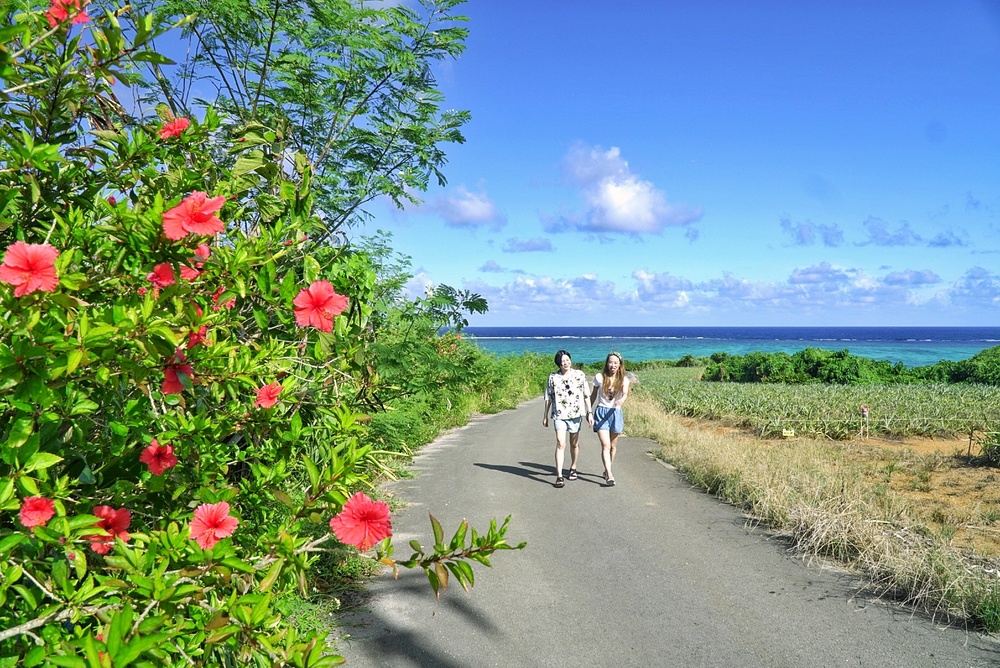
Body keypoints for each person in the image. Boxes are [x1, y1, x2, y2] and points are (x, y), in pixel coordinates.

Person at [542, 350, 593, 488]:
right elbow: (548, 397)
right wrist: (545, 415)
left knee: (574, 444)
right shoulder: (553, 377)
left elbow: (586, 395)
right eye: (562, 361)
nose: (565, 363)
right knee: (560, 443)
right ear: (558, 363)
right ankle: (559, 476)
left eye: (567, 360)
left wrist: (589, 412)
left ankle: (573, 467)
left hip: (575, 414)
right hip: (559, 415)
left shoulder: (579, 375)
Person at [590, 351, 630, 487]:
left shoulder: (624, 379)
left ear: (619, 365)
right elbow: (593, 395)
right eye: (610, 362)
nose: (612, 365)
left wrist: (621, 401)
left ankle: (607, 469)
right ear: (607, 363)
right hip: (601, 412)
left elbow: (625, 394)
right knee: (605, 445)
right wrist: (588, 411)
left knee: (613, 446)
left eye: (615, 363)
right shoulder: (599, 378)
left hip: (615, 413)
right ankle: (609, 474)